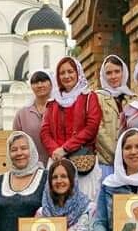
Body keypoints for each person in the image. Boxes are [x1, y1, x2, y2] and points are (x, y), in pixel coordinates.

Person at [41, 56, 104, 202]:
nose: (66, 76)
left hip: (82, 162)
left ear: (78, 73)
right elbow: (44, 132)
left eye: (70, 71)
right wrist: (55, 151)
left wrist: (66, 148)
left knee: (85, 204)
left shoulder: (88, 97)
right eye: (62, 73)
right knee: (58, 204)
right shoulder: (53, 102)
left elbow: (91, 127)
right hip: (57, 161)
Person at [95, 55, 135, 174]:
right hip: (106, 161)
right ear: (103, 75)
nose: (113, 76)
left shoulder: (132, 98)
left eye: (117, 72)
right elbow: (98, 129)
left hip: (130, 162)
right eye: (109, 73)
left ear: (123, 73)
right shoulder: (97, 97)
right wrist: (118, 153)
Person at [13, 71, 53, 164]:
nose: (39, 85)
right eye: (35, 82)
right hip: (31, 165)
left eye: (43, 81)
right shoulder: (22, 113)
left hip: (57, 164)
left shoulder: (60, 109)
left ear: (51, 84)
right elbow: (16, 140)